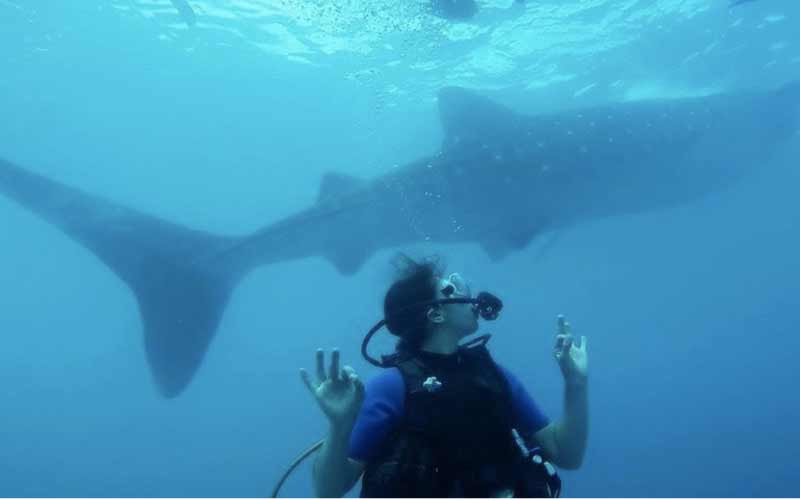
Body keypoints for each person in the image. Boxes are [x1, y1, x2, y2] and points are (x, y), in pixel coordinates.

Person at [300, 257, 588, 497]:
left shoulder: (492, 375)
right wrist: (339, 426)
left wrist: (575, 383)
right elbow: (329, 490)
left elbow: (566, 454)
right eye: (450, 289)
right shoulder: (391, 387)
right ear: (435, 315)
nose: (468, 295)